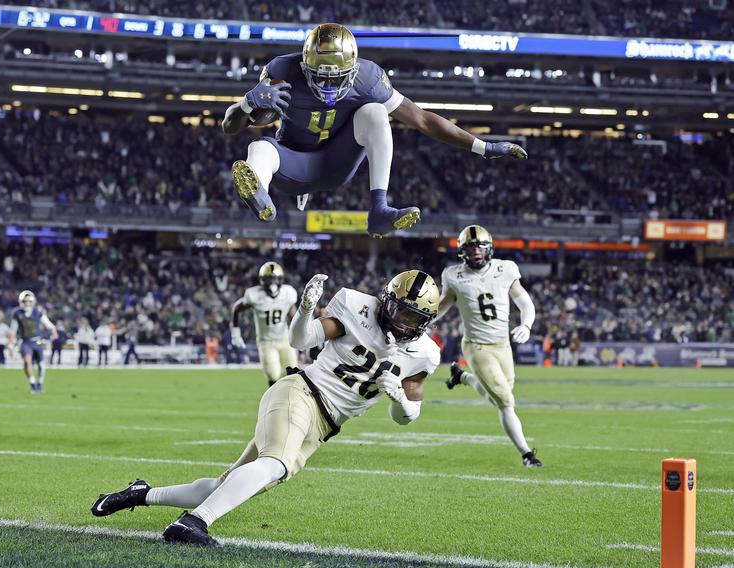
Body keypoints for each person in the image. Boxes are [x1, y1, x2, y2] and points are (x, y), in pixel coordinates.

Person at [90, 270, 441, 545]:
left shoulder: (424, 353)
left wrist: (399, 400)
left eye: (412, 318)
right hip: (301, 393)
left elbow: (408, 416)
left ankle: (140, 494)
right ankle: (192, 522)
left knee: (224, 486)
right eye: (398, 310)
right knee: (274, 464)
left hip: (324, 426)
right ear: (385, 300)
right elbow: (300, 340)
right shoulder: (356, 307)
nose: (401, 322)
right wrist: (304, 312)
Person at [222, 23, 527, 238]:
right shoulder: (282, 72)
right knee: (259, 148)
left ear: (353, 69)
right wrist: (247, 104)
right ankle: (259, 195)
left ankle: (379, 209)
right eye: (320, 75)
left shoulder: (368, 79)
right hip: (294, 163)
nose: (327, 85)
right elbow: (231, 127)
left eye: (336, 77)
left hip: (336, 162)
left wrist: (482, 147)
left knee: (375, 111)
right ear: (304, 66)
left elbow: (421, 119)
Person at [434, 225, 543, 467]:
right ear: (462, 251)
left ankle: (461, 377)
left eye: (480, 246)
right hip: (477, 346)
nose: (476, 251)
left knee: (500, 397)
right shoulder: (454, 275)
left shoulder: (505, 269)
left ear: (489, 247)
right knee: (505, 401)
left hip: (503, 346)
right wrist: (418, 322)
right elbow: (442, 306)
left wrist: (526, 325)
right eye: (470, 247)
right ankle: (527, 454)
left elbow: (525, 303)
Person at [229, 261, 298, 386]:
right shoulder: (254, 295)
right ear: (262, 280)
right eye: (269, 279)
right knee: (273, 374)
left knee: (293, 375)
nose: (273, 282)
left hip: (285, 340)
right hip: (266, 342)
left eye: (275, 279)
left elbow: (293, 316)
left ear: (281, 279)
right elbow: (236, 308)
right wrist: (235, 333)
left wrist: (301, 334)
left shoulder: (288, 293)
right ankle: (273, 402)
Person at [10, 290, 57, 393]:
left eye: (29, 301)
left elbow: (48, 324)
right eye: (25, 301)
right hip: (25, 342)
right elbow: (13, 330)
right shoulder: (17, 314)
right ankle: (32, 383)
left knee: (41, 365)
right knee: (27, 362)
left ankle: (40, 383)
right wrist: (10, 344)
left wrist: (53, 331)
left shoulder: (38, 312)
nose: (27, 303)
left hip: (38, 341)